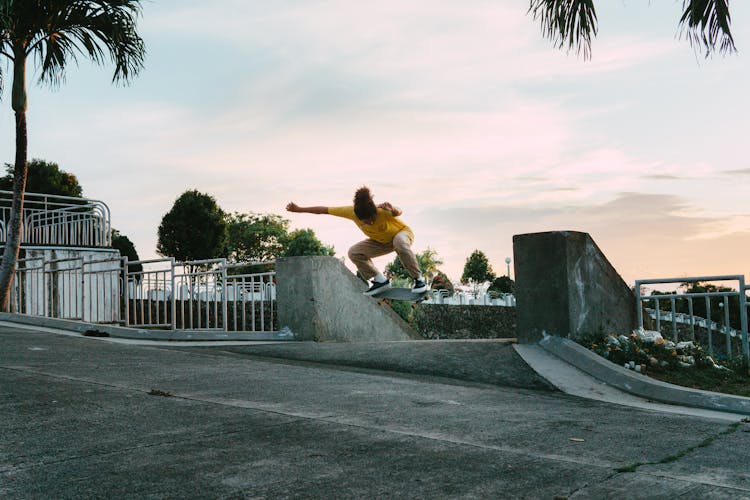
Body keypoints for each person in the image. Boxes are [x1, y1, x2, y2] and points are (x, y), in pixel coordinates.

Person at [286, 186, 428, 296]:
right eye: (365, 222)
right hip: (381, 243)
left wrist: (393, 209)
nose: (370, 223)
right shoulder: (350, 212)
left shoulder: (383, 210)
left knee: (400, 244)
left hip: (401, 234)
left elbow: (398, 211)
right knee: (354, 252)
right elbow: (324, 210)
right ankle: (380, 280)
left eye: (372, 219)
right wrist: (298, 209)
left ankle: (419, 280)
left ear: (375, 212)